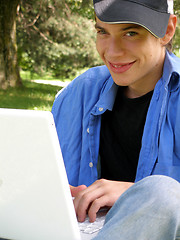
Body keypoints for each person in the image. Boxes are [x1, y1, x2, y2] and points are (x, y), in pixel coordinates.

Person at [52, 0, 180, 238]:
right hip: (75, 232)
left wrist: (134, 196)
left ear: (168, 30)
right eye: (102, 32)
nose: (111, 52)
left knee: (162, 193)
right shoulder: (78, 93)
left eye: (130, 33)